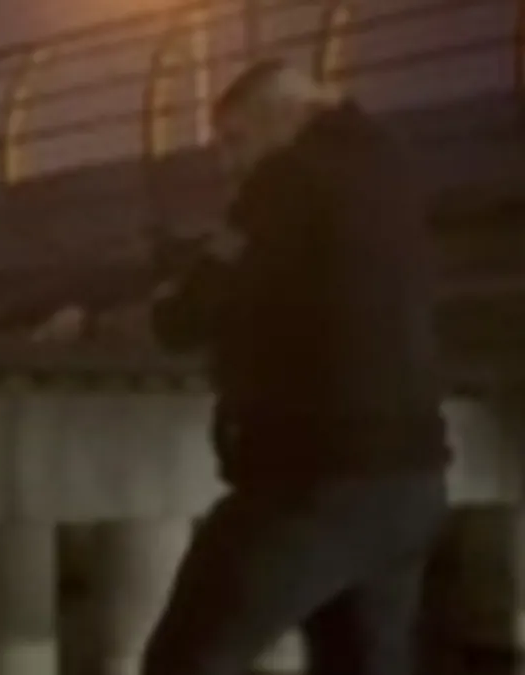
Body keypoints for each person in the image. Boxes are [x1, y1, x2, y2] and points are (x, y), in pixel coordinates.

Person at [37, 59, 452, 675]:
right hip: (411, 483)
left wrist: (90, 325)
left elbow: (193, 313)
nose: (229, 165)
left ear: (286, 114)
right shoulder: (388, 169)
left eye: (235, 140)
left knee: (187, 660)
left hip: (313, 486)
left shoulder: (286, 178)